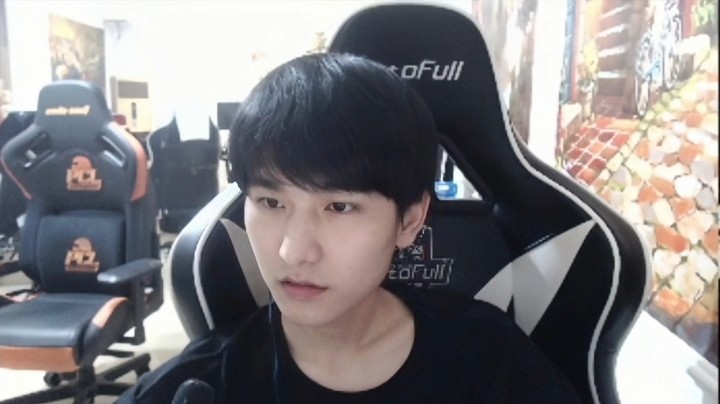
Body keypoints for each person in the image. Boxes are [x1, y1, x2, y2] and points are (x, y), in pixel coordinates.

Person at [118, 53, 581, 403]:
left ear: (409, 221)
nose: (293, 251)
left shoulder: (490, 361)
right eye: (271, 202)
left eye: (339, 207)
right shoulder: (205, 386)